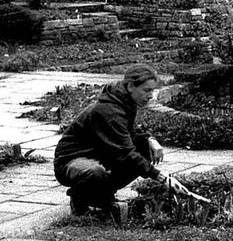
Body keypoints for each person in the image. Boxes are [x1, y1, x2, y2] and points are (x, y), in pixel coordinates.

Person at [53, 64, 186, 219]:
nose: (151, 95)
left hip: (99, 153)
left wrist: (150, 140)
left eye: (153, 90)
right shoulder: (109, 110)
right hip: (71, 161)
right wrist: (161, 177)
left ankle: (104, 196)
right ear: (130, 86)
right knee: (95, 172)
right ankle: (79, 201)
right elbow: (125, 151)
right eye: (147, 90)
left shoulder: (124, 101)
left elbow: (131, 131)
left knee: (144, 147)